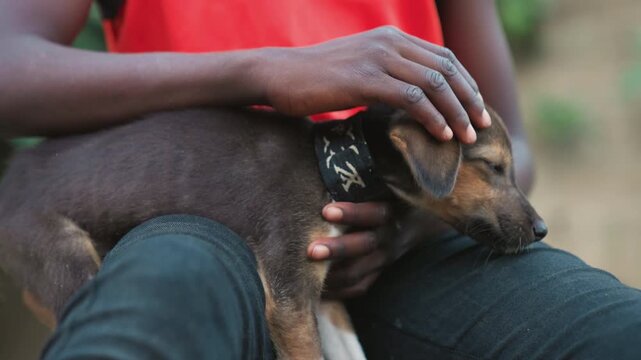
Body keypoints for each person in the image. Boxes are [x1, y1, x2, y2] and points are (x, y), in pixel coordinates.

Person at [1, 0, 640, 359]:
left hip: (404, 235)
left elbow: (512, 143)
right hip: (199, 212)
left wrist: (413, 221)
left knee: (614, 334)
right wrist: (262, 73)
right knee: (142, 321)